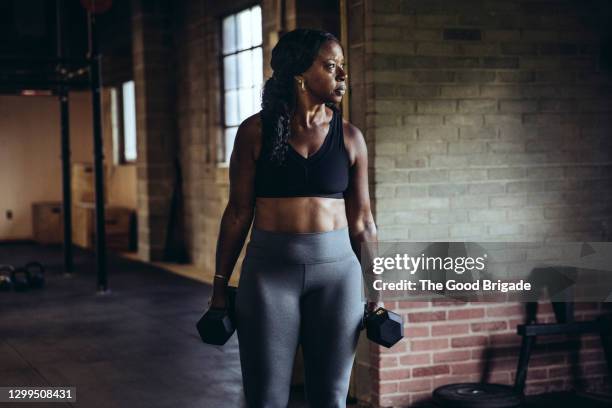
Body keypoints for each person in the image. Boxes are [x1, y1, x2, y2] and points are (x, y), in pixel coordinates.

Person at [209, 29, 378, 408]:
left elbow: (364, 221)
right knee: (265, 397)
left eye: (342, 67)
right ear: (301, 73)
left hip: (339, 278)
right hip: (269, 276)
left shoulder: (350, 137)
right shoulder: (255, 132)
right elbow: (237, 212)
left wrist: (378, 293)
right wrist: (219, 287)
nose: (342, 77)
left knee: (331, 399)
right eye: (331, 66)